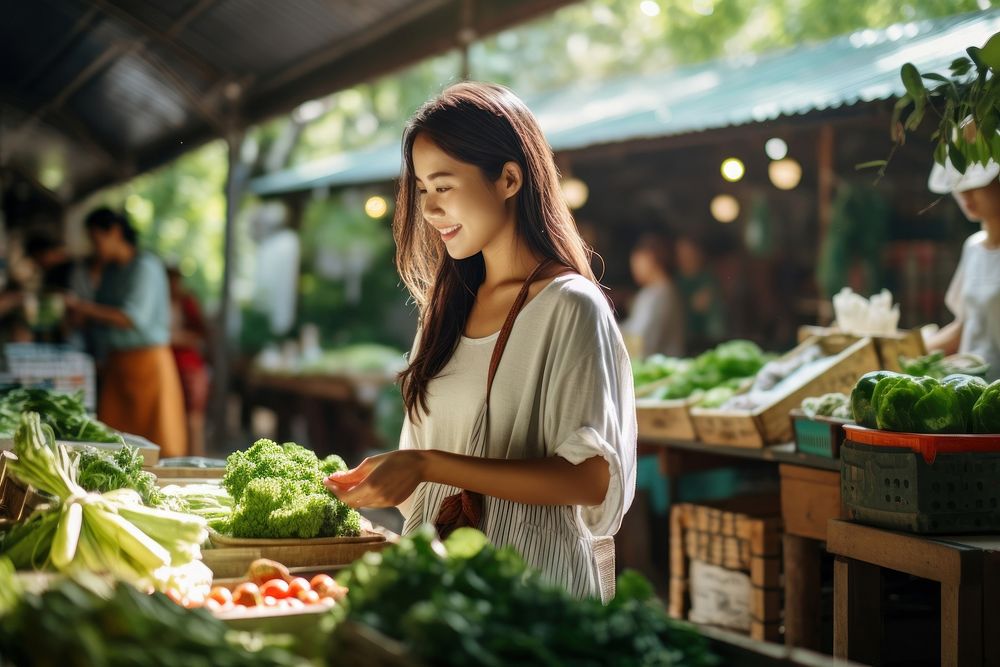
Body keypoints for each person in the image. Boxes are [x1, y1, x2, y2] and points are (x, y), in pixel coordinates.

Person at [323, 82, 637, 600]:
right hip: (438, 597)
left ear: (509, 178)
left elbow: (590, 480)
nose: (428, 208)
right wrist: (384, 480)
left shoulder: (570, 306)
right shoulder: (444, 311)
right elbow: (420, 468)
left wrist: (428, 465)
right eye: (422, 189)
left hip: (532, 600)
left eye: (443, 186)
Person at [64, 208, 187, 457]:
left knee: (159, 448)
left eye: (97, 240)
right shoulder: (110, 271)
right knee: (113, 450)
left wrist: (83, 308)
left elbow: (131, 318)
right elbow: (102, 317)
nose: (94, 247)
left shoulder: (145, 267)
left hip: (148, 365)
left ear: (116, 233)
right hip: (117, 367)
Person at [923, 160, 1000, 381]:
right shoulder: (973, 247)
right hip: (967, 388)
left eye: (976, 184)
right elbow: (966, 325)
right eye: (959, 186)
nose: (964, 194)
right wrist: (907, 352)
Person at [168, 267, 211, 457]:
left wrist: (178, 337)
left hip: (189, 366)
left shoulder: (187, 302)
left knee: (194, 418)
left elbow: (201, 334)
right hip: (170, 366)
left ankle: (196, 459)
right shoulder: (161, 302)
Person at [620, 234, 685, 357]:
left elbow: (641, 341)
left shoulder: (659, 294)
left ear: (650, 258)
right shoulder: (658, 291)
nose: (634, 268)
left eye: (637, 261)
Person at [675, 235, 725, 353]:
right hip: (680, 340)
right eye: (680, 253)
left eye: (688, 252)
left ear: (699, 254)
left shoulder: (707, 281)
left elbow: (715, 321)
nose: (685, 257)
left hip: (703, 342)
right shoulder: (676, 281)